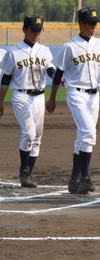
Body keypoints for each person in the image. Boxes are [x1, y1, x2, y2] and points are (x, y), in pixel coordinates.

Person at [47, 7, 100, 195]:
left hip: (95, 95)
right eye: (90, 23)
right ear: (81, 24)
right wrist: (52, 98)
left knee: (83, 139)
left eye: (96, 23)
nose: (94, 26)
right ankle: (85, 178)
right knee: (89, 134)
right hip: (76, 94)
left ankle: (73, 180)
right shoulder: (70, 46)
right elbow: (58, 73)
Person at [0, 16, 56, 188]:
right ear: (24, 30)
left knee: (37, 137)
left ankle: (28, 175)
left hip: (39, 97)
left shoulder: (45, 50)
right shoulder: (13, 52)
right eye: (33, 30)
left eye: (39, 30)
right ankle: (23, 170)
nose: (36, 33)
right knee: (29, 133)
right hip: (21, 95)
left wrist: (57, 77)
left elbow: (51, 69)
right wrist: (0, 102)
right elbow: (6, 79)